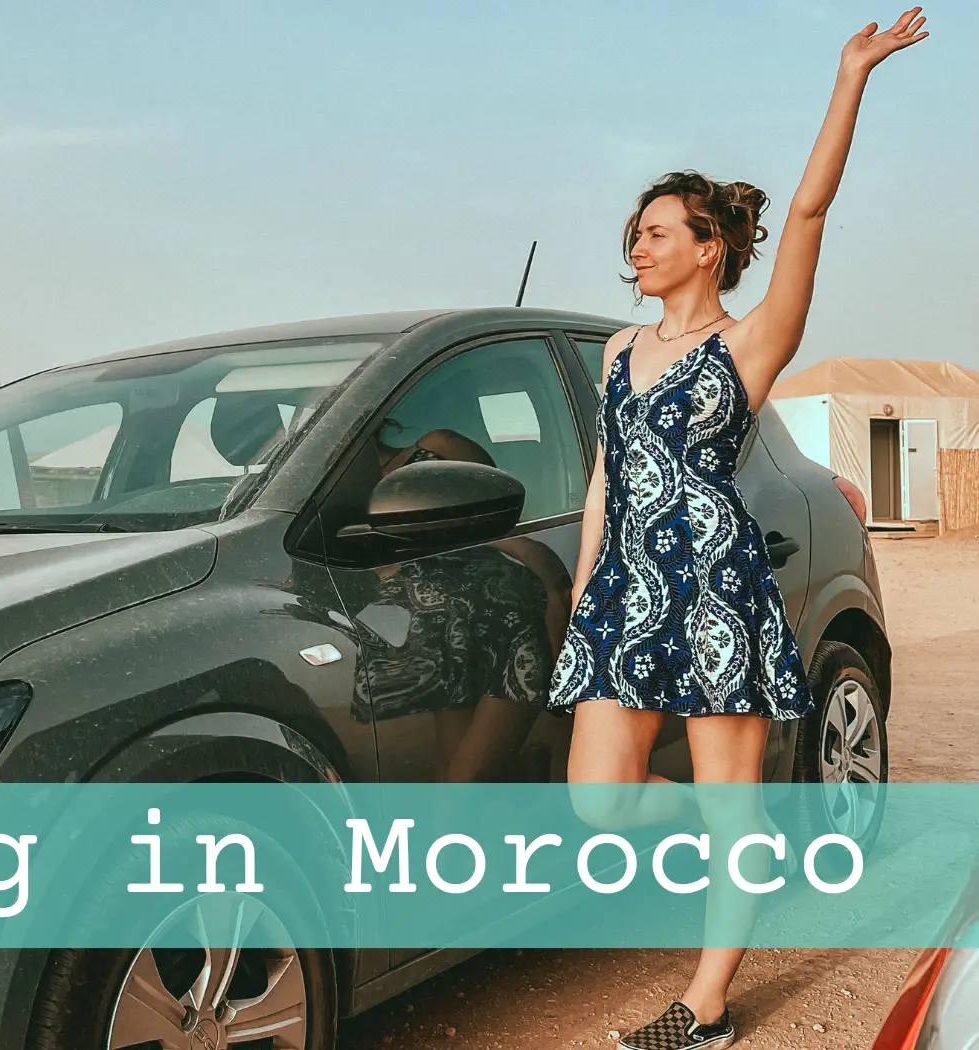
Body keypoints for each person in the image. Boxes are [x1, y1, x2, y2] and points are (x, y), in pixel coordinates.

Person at [546, 10, 928, 1049]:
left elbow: (806, 212)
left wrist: (852, 78)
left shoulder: (755, 343)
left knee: (724, 811)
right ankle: (753, 831)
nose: (639, 242)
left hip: (717, 591)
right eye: (636, 230)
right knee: (599, 806)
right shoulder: (621, 349)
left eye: (660, 229)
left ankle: (705, 1006)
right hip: (628, 594)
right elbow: (602, 479)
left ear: (709, 249)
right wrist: (588, 584)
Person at [361, 423, 570, 783]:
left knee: (464, 780)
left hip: (504, 619)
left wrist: (538, 568)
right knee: (453, 776)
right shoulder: (339, 494)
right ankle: (517, 781)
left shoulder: (436, 444)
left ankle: (516, 781)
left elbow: (501, 512)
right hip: (443, 634)